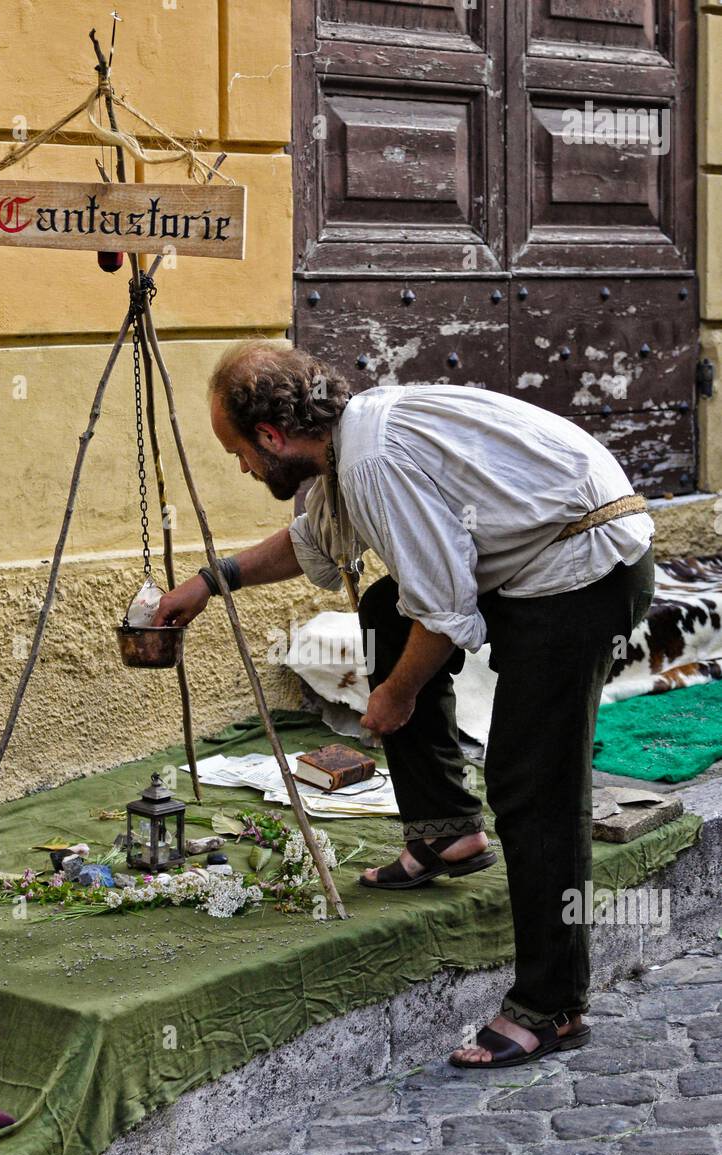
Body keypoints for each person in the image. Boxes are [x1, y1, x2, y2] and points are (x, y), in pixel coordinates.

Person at [153, 341, 655, 1070]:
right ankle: (447, 832)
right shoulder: (350, 445)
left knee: (530, 781)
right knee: (387, 604)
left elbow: (445, 615)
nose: (243, 469)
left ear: (270, 437)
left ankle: (553, 1005)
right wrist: (210, 581)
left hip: (583, 569)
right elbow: (312, 542)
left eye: (240, 453)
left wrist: (393, 695)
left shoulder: (373, 460)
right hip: (542, 547)